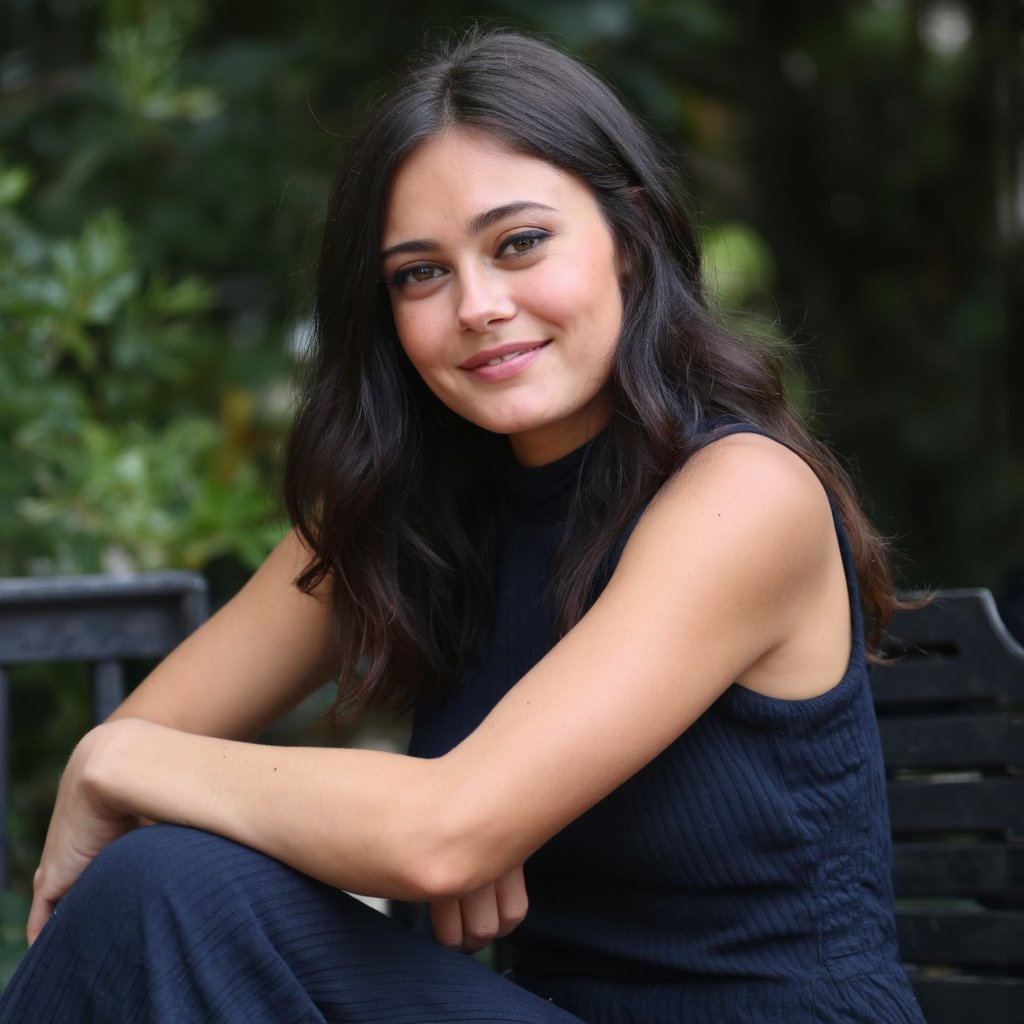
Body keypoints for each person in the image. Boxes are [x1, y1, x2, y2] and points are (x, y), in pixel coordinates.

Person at [0, 28, 926, 1024]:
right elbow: (226, 755)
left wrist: (115, 759)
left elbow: (433, 831)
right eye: (418, 274)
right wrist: (407, 815)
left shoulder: (742, 495)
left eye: (519, 243)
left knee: (170, 887)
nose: (478, 305)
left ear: (630, 235)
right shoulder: (414, 507)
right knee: (164, 882)